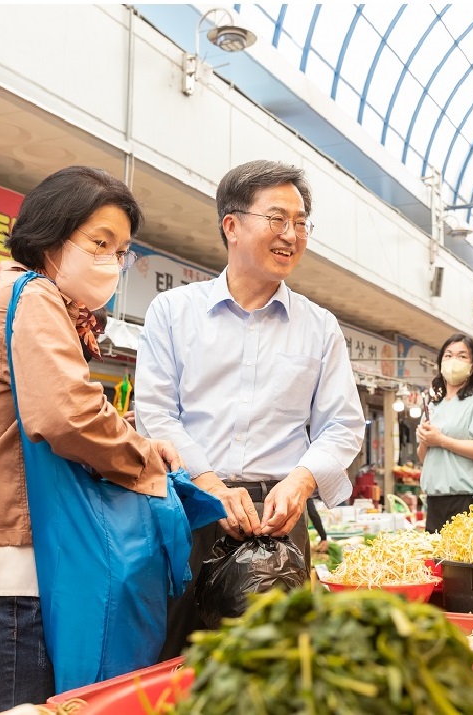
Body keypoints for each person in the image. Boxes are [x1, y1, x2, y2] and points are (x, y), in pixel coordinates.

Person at [0, 166, 205, 713]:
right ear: (50, 234)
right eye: (99, 242)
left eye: (121, 251)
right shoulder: (34, 293)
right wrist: (146, 463)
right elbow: (67, 416)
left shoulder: (16, 302)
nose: (112, 262)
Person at [133, 159, 368, 647]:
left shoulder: (319, 325)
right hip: (189, 507)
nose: (292, 234)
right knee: (178, 659)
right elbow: (156, 412)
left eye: (301, 222)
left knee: (277, 668)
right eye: (277, 218)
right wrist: (208, 483)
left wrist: (302, 482)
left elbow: (343, 424)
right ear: (232, 225)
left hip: (279, 519)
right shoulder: (173, 313)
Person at [415, 334, 473, 531]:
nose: (453, 361)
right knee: (436, 560)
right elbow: (424, 458)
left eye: (462, 356)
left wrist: (441, 440)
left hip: (468, 501)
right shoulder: (433, 406)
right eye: (448, 355)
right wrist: (425, 441)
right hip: (435, 500)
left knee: (462, 561)